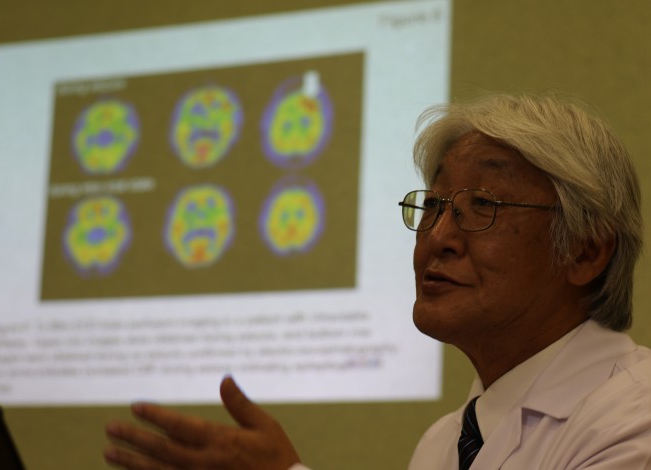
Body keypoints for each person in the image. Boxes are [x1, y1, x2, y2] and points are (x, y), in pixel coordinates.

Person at [103, 94, 651, 470]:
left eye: (482, 205)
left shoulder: (634, 417)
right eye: (433, 206)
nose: (438, 237)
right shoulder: (442, 445)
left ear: (586, 251)